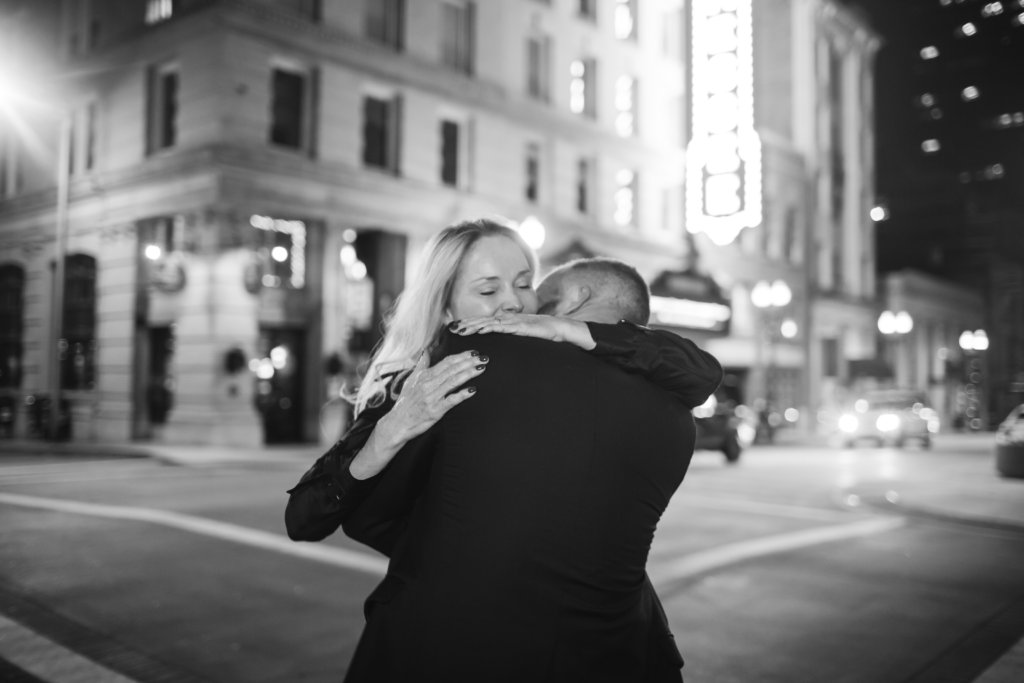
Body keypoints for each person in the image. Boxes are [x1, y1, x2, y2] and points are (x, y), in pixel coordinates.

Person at [285, 219, 721, 680]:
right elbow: (700, 371)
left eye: (525, 285)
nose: (514, 303)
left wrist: (561, 329)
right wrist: (391, 429)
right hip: (621, 655)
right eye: (488, 290)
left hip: (447, 651)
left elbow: (363, 519)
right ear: (445, 303)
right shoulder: (672, 405)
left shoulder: (462, 366)